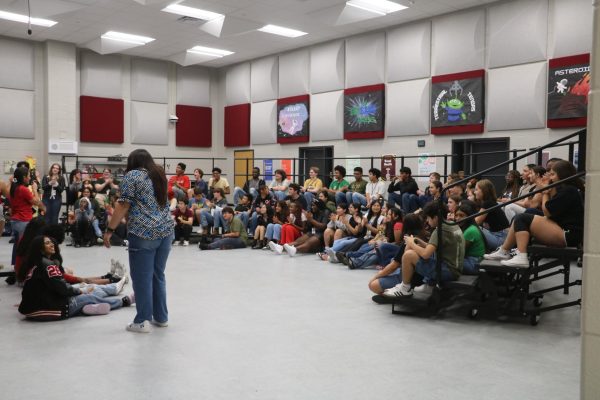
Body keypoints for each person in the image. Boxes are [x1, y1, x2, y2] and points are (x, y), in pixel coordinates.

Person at [103, 149, 174, 333]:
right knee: (158, 276)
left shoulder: (133, 176)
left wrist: (110, 230)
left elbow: (123, 204)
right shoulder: (159, 174)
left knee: (142, 279)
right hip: (165, 232)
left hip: (143, 234)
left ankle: (142, 320)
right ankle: (161, 317)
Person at [485, 160, 584, 267]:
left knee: (522, 218)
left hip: (568, 234)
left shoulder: (569, 191)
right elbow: (551, 207)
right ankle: (505, 250)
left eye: (553, 174)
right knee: (526, 214)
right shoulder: (567, 189)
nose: (551, 177)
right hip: (563, 228)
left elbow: (548, 212)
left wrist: (544, 192)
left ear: (563, 174)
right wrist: (546, 188)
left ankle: (521, 256)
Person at [19, 236, 133, 320]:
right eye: (47, 243)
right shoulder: (48, 265)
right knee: (89, 296)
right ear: (40, 248)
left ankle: (88, 307)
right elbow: (63, 289)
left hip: (45, 302)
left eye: (51, 242)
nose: (52, 244)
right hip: (45, 308)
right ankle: (122, 302)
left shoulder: (39, 262)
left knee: (89, 289)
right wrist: (80, 291)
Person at [383, 201, 465, 298]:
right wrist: (418, 241)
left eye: (428, 218)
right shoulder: (452, 225)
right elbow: (432, 247)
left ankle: (405, 288)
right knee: (412, 250)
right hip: (454, 269)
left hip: (448, 271)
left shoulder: (439, 230)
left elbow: (426, 254)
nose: (427, 221)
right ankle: (411, 285)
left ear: (435, 218)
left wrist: (411, 243)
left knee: (408, 255)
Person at [368, 213, 427, 295]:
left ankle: (394, 292)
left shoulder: (409, 239)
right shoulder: (425, 237)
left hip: (407, 277)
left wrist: (377, 276)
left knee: (373, 285)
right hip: (420, 275)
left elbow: (394, 265)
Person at [5, 167, 46, 270]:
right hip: (23, 220)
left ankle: (16, 266)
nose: (29, 178)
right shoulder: (23, 189)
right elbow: (36, 202)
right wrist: (35, 190)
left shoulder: (14, 188)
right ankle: (23, 269)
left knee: (19, 244)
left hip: (16, 220)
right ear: (24, 177)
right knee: (26, 246)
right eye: (28, 176)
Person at [474, 179, 510, 250]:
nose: (474, 192)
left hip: (500, 238)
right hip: (497, 235)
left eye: (476, 189)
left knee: (473, 228)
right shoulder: (489, 202)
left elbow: (476, 222)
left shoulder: (488, 203)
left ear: (484, 191)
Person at [455, 201, 486, 274]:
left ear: (469, 217)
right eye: (456, 215)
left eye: (461, 215)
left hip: (474, 263)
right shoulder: (466, 228)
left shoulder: (470, 231)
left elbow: (459, 252)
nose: (458, 218)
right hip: (470, 260)